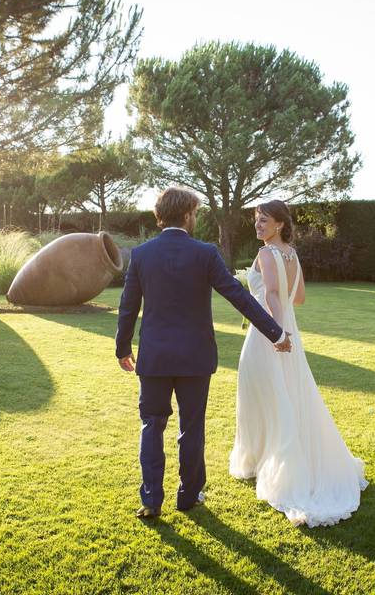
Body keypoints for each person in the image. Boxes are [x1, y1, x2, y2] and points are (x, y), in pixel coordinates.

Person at [115, 186, 292, 518]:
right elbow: (239, 297)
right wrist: (275, 332)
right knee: (191, 428)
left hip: (154, 357)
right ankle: (189, 496)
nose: (195, 218)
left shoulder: (141, 255)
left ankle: (151, 500)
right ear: (186, 216)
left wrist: (122, 347)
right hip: (195, 358)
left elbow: (128, 307)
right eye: (195, 213)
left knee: (152, 425)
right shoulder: (205, 253)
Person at [230, 199, 368, 527]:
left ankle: (262, 462)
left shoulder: (266, 254)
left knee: (261, 395)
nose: (258, 225)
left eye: (264, 220)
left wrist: (276, 332)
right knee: (286, 394)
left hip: (269, 336)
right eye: (256, 220)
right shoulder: (292, 253)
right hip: (290, 333)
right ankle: (270, 456)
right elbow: (300, 297)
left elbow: (276, 295)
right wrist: (278, 316)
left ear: (279, 223)